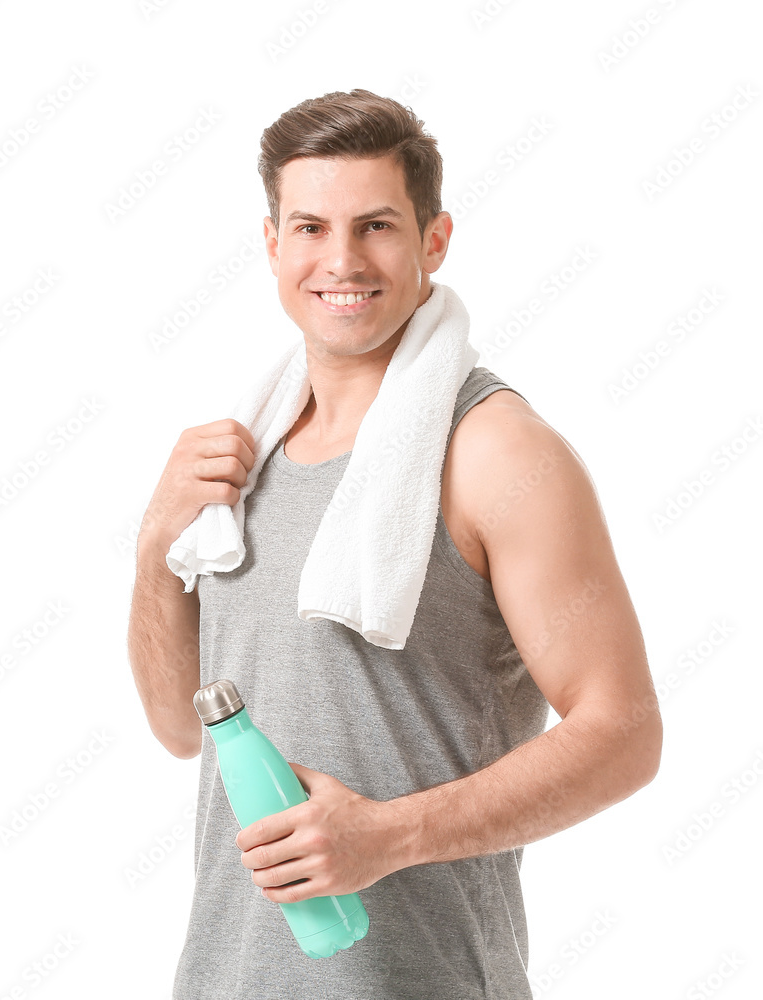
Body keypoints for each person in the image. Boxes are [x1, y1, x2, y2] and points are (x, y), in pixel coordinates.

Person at [127, 89, 663, 1000]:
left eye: (375, 225)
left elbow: (624, 734)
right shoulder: (236, 460)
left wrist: (391, 835)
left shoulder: (494, 451)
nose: (340, 261)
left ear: (434, 240)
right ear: (271, 244)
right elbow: (182, 728)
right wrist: (153, 548)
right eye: (309, 227)